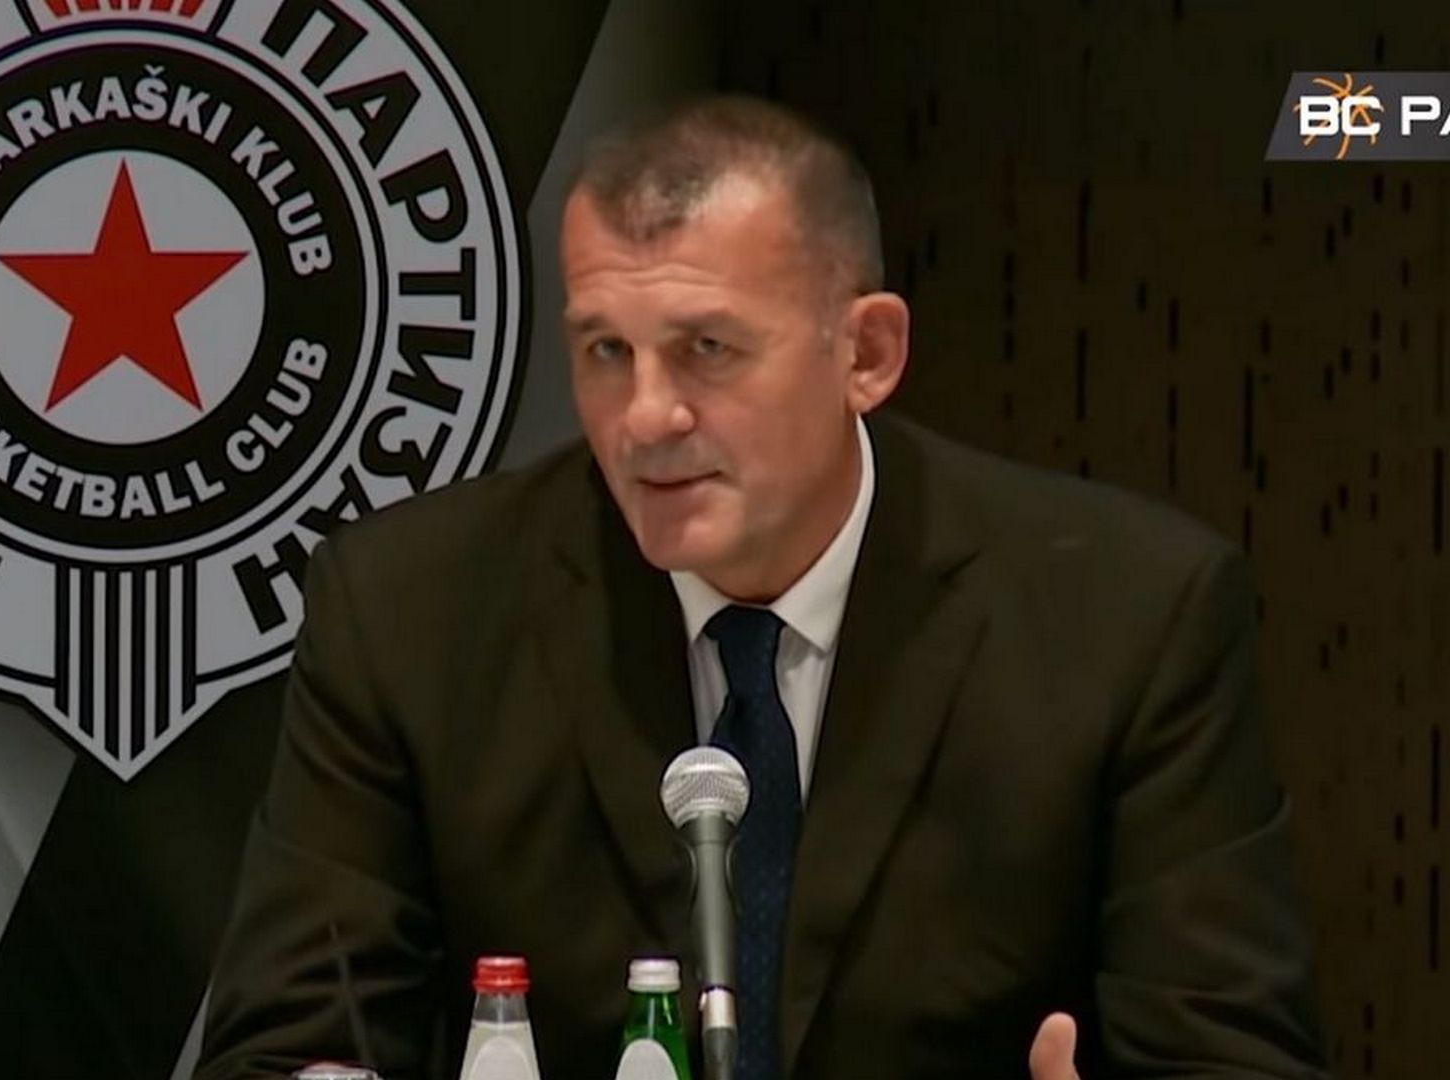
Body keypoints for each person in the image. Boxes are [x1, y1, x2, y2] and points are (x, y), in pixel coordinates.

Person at [197, 96, 1328, 1080]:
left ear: (866, 354)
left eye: (708, 349)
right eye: (605, 351)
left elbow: (1229, 1055)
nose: (646, 417)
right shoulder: (413, 613)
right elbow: (291, 1047)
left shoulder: (1126, 620)